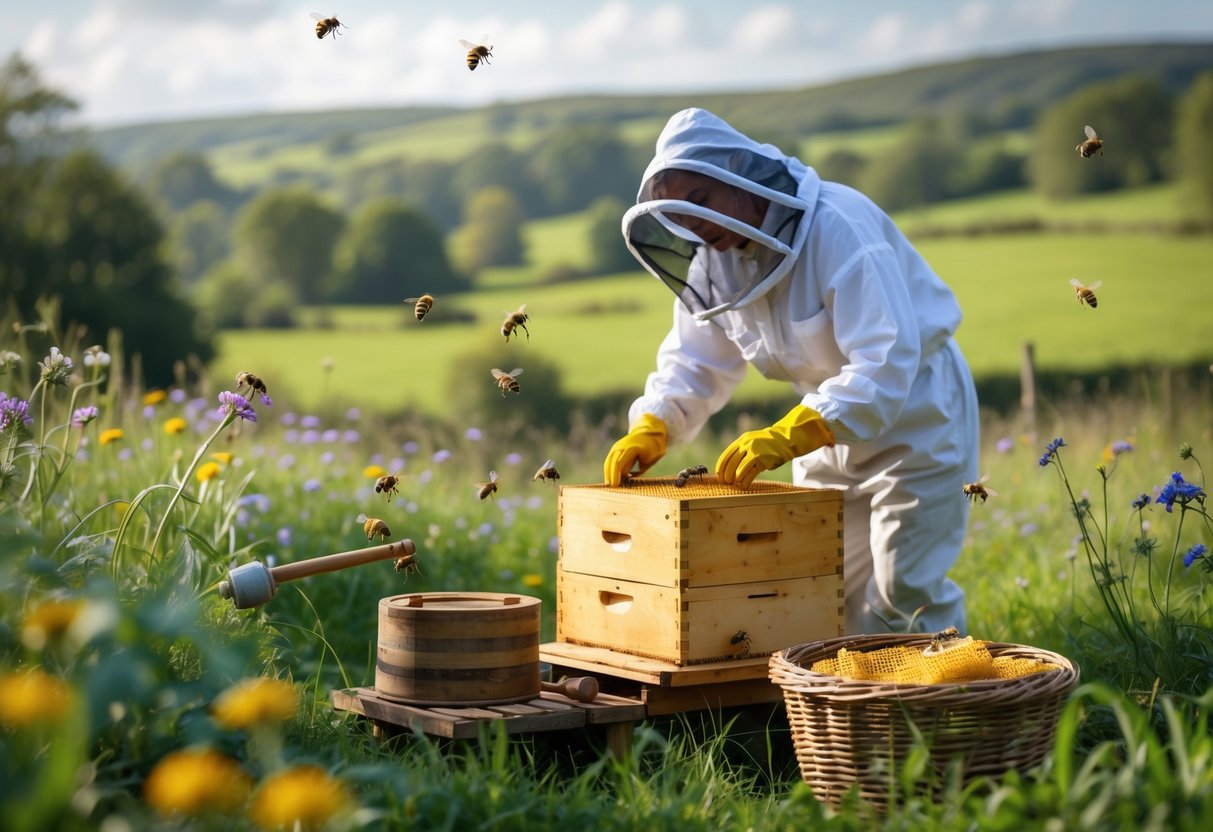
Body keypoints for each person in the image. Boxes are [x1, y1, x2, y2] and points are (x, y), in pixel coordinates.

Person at [603, 107, 979, 635]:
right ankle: (844, 711)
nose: (693, 223)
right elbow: (695, 357)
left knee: (905, 591)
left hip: (918, 417)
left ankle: (942, 705)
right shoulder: (715, 264)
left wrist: (793, 430)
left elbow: (887, 357)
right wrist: (656, 421)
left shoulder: (839, 227)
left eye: (701, 201)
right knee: (823, 585)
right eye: (681, 214)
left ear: (737, 175)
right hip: (820, 434)